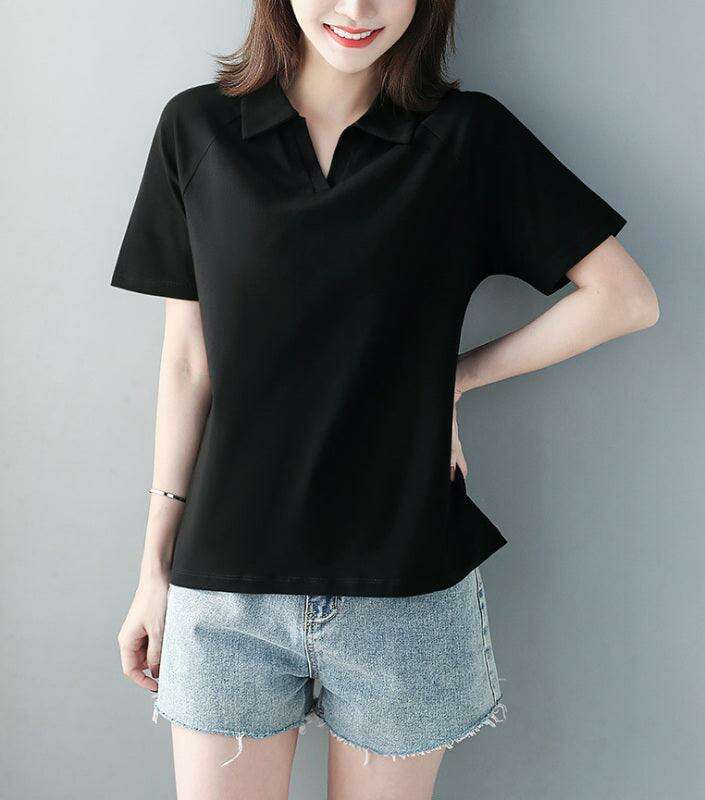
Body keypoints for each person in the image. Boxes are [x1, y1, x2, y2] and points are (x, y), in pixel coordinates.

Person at [111, 2, 659, 798]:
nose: (357, 9)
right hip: (223, 586)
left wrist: (451, 378)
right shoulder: (197, 129)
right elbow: (189, 362)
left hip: (406, 588)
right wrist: (153, 570)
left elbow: (624, 299)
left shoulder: (465, 137)